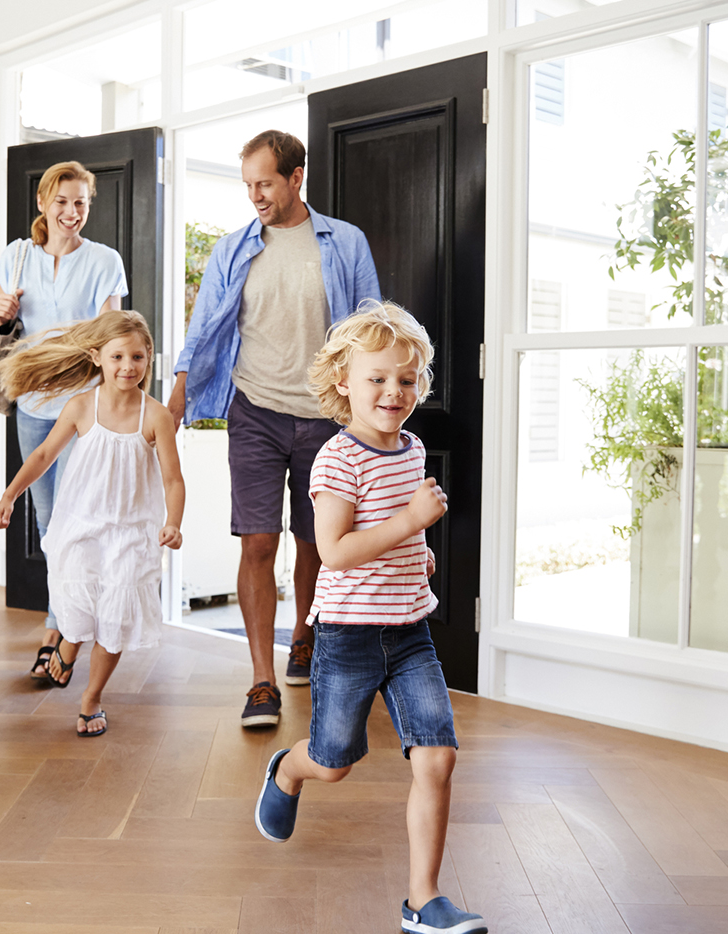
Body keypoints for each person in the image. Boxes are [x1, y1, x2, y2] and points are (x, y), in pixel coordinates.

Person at [253, 302, 486, 934]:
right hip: (348, 638)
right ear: (343, 384)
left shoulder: (411, 448)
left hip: (410, 635)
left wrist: (420, 553)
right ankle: (289, 768)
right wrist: (410, 523)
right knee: (335, 761)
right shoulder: (337, 460)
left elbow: (390, 536)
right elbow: (335, 550)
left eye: (406, 380)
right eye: (377, 378)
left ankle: (423, 899)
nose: (393, 392)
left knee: (437, 757)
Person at [169, 129, 381, 728]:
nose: (255, 196)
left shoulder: (344, 243)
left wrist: (374, 408)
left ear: (296, 177)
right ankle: (261, 680)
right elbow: (204, 326)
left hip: (325, 418)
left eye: (265, 183)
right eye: (248, 185)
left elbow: (370, 327)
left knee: (316, 542)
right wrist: (178, 397)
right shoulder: (233, 248)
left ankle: (304, 639)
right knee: (258, 541)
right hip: (255, 410)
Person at [0, 311, 185, 735]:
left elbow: (173, 478)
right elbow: (43, 455)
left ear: (149, 356)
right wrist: (10, 493)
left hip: (132, 532)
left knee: (114, 620)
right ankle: (67, 644)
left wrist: (173, 522)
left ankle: (91, 698)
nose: (128, 367)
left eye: (137, 356)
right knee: (77, 602)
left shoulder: (155, 417)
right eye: (117, 357)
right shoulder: (81, 406)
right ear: (97, 357)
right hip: (81, 525)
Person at [0, 161, 129, 684]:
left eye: (81, 204)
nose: (72, 213)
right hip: (31, 405)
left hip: (80, 408)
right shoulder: (15, 255)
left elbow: (112, 333)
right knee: (50, 526)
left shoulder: (104, 261)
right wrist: (0, 310)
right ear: (44, 201)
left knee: (77, 521)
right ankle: (65, 619)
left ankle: (59, 629)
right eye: (63, 202)